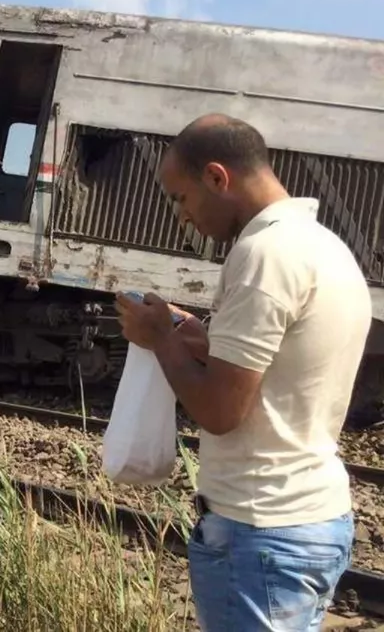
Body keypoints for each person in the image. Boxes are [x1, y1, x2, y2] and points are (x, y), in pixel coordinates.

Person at [115, 114, 371, 632]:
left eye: (182, 198)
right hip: (311, 517)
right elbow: (283, 373)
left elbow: (221, 411)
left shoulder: (262, 255)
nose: (183, 217)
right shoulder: (326, 248)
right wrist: (198, 339)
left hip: (262, 530)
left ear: (216, 177)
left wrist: (160, 339)